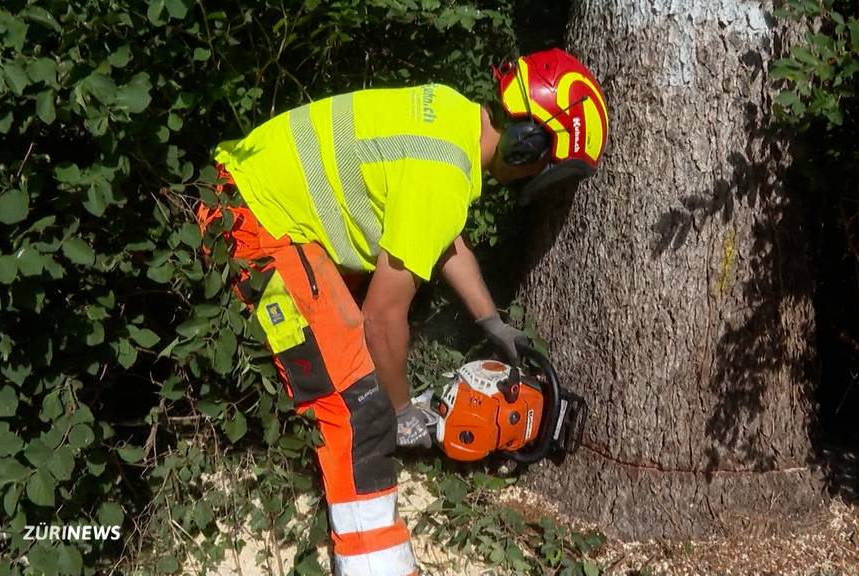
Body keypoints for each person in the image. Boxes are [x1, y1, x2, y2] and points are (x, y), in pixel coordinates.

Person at [197, 48, 608, 576]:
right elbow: (381, 319)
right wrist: (400, 413)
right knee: (359, 406)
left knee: (357, 363)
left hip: (248, 196)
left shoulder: (453, 117)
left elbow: (439, 236)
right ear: (529, 143)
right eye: (542, 165)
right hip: (247, 227)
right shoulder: (442, 172)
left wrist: (491, 322)